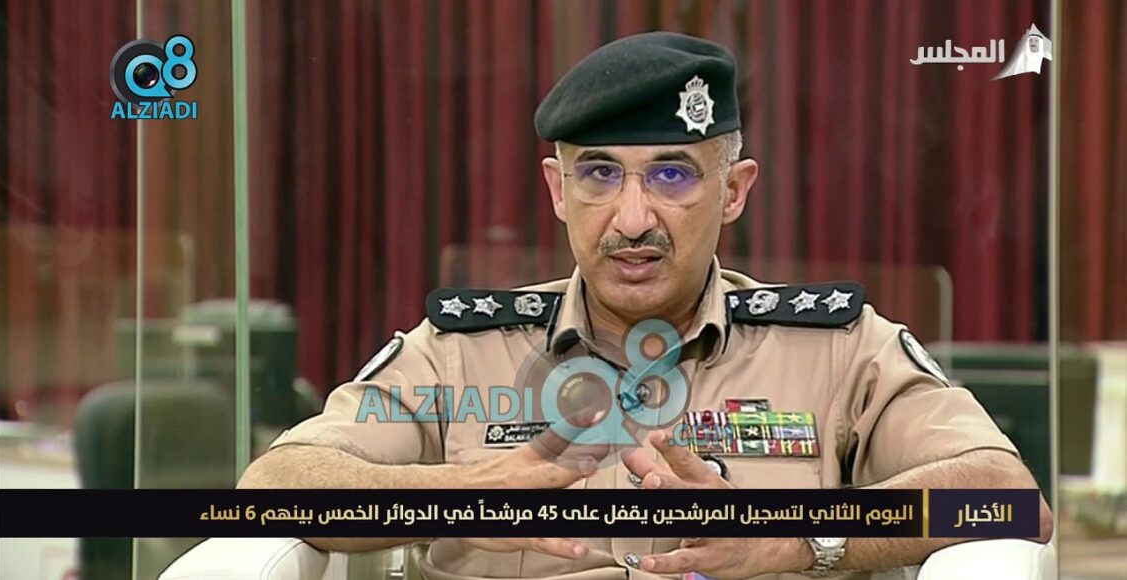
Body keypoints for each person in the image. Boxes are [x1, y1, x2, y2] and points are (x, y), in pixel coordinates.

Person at [239, 31, 1052, 579]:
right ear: (558, 191)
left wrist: (802, 536)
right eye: (599, 174)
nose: (633, 219)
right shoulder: (462, 350)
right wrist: (460, 489)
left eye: (672, 175)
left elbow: (1008, 495)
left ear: (733, 192)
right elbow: (274, 486)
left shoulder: (836, 345)